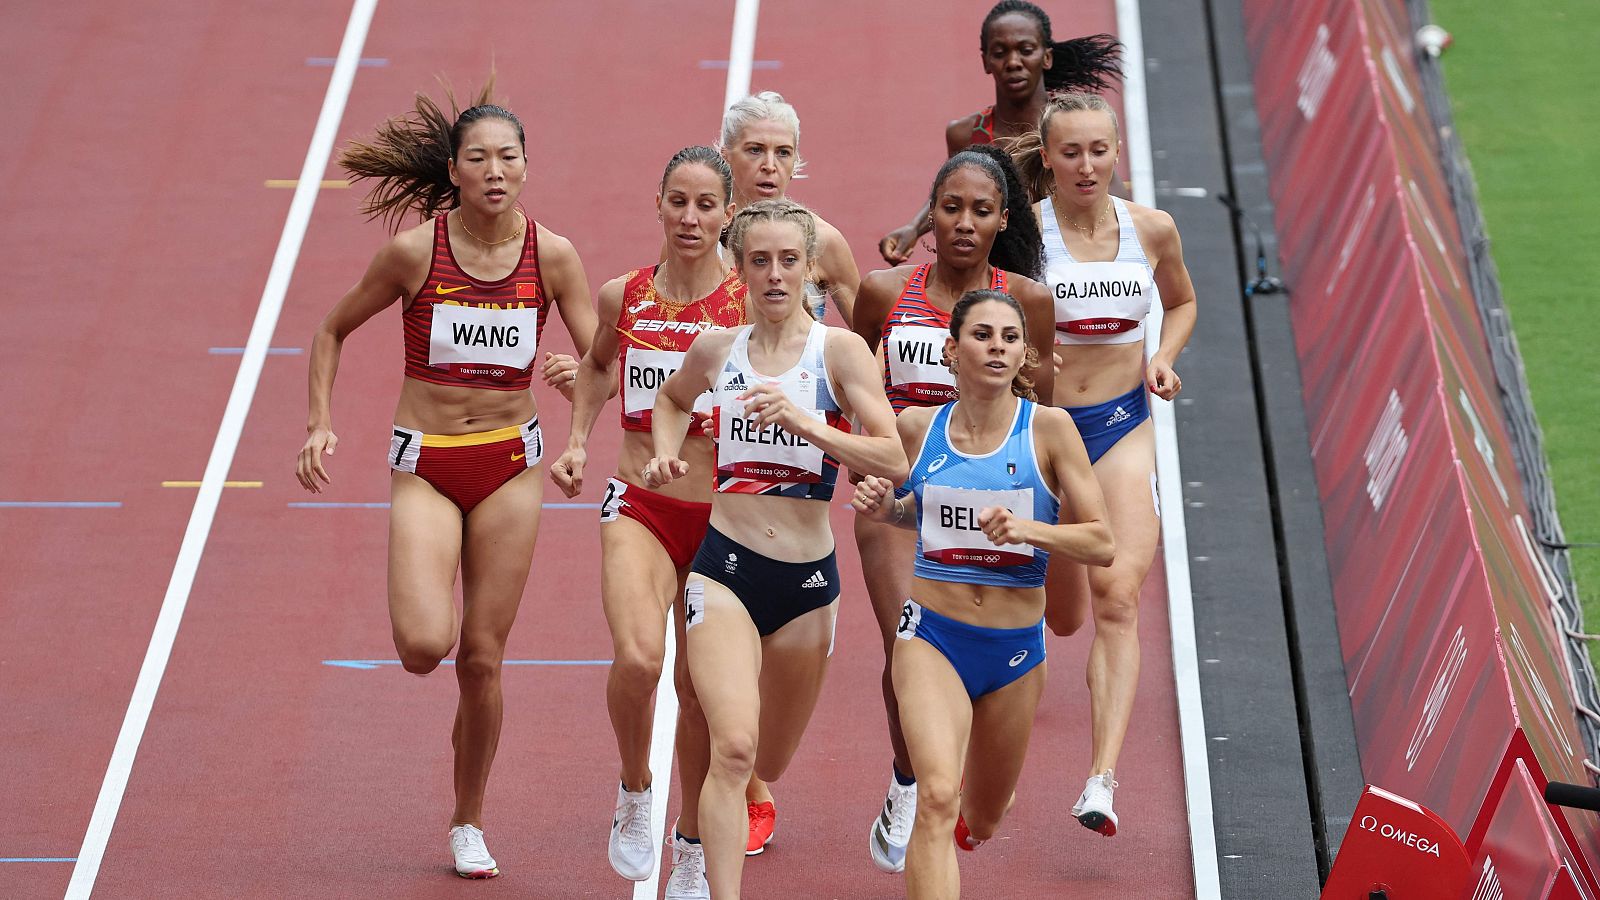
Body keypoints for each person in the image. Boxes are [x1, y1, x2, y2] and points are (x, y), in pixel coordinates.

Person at [295, 86, 597, 878]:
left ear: (526, 166)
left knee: (484, 659)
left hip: (508, 463)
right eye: (479, 158)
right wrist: (319, 420)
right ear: (454, 171)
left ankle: (468, 821)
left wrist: (574, 394)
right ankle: (438, 656)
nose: (496, 171)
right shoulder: (413, 253)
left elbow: (603, 364)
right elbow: (330, 329)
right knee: (428, 647)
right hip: (427, 461)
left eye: (509, 156)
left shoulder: (553, 255)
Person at [646, 198, 908, 899]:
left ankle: (722, 824)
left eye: (788, 260)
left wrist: (805, 422)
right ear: (738, 268)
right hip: (724, 569)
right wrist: (667, 453)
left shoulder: (839, 353)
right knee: (731, 749)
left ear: (811, 268)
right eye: (758, 260)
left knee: (767, 758)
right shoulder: (716, 350)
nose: (773, 274)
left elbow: (892, 456)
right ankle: (701, 867)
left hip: (806, 589)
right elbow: (669, 402)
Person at [852, 289, 1114, 899]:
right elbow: (919, 515)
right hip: (932, 636)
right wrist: (888, 509)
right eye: (982, 335)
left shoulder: (1048, 430)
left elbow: (1101, 542)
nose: (996, 346)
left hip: (1014, 652)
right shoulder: (918, 429)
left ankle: (979, 818)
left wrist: (1030, 529)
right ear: (952, 350)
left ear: (1024, 354)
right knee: (938, 796)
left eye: (1009, 337)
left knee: (983, 818)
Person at [849, 145, 1056, 873]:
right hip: (903, 496)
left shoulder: (1026, 303)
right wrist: (861, 456)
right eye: (950, 208)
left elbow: (1043, 409)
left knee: (985, 806)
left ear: (1004, 218)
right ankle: (912, 781)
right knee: (901, 638)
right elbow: (851, 381)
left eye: (980, 210)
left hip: (991, 504)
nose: (964, 223)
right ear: (929, 215)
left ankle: (954, 788)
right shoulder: (882, 292)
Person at [548, 146, 746, 886]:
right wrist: (575, 440)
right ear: (657, 205)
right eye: (678, 202)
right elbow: (599, 364)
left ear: (729, 213)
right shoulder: (622, 295)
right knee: (638, 660)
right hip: (639, 504)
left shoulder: (748, 305)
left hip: (725, 520)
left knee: (699, 693)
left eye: (705, 205)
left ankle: (691, 845)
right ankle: (636, 789)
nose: (690, 218)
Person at [1010, 91, 1198, 837]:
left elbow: (1181, 302)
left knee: (1117, 598)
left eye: (1099, 151)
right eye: (1071, 152)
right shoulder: (1025, 235)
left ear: (1116, 153)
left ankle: (1101, 778)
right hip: (1045, 435)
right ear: (1048, 158)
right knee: (1061, 616)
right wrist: (1021, 355)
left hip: (1121, 428)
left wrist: (1163, 356)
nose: (1086, 165)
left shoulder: (1151, 229)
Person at [878, 1, 1122, 264]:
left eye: (1026, 50)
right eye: (1000, 52)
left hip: (1070, 267)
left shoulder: (1073, 125)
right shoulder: (966, 133)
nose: (1013, 62)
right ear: (986, 61)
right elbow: (954, 190)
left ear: (1046, 56)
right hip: (999, 274)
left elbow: (1115, 197)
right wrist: (913, 230)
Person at [718, 91, 861, 328]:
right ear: (726, 156)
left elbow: (874, 344)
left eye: (783, 152)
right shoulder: (699, 238)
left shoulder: (823, 240)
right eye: (755, 150)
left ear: (795, 162)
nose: (770, 166)